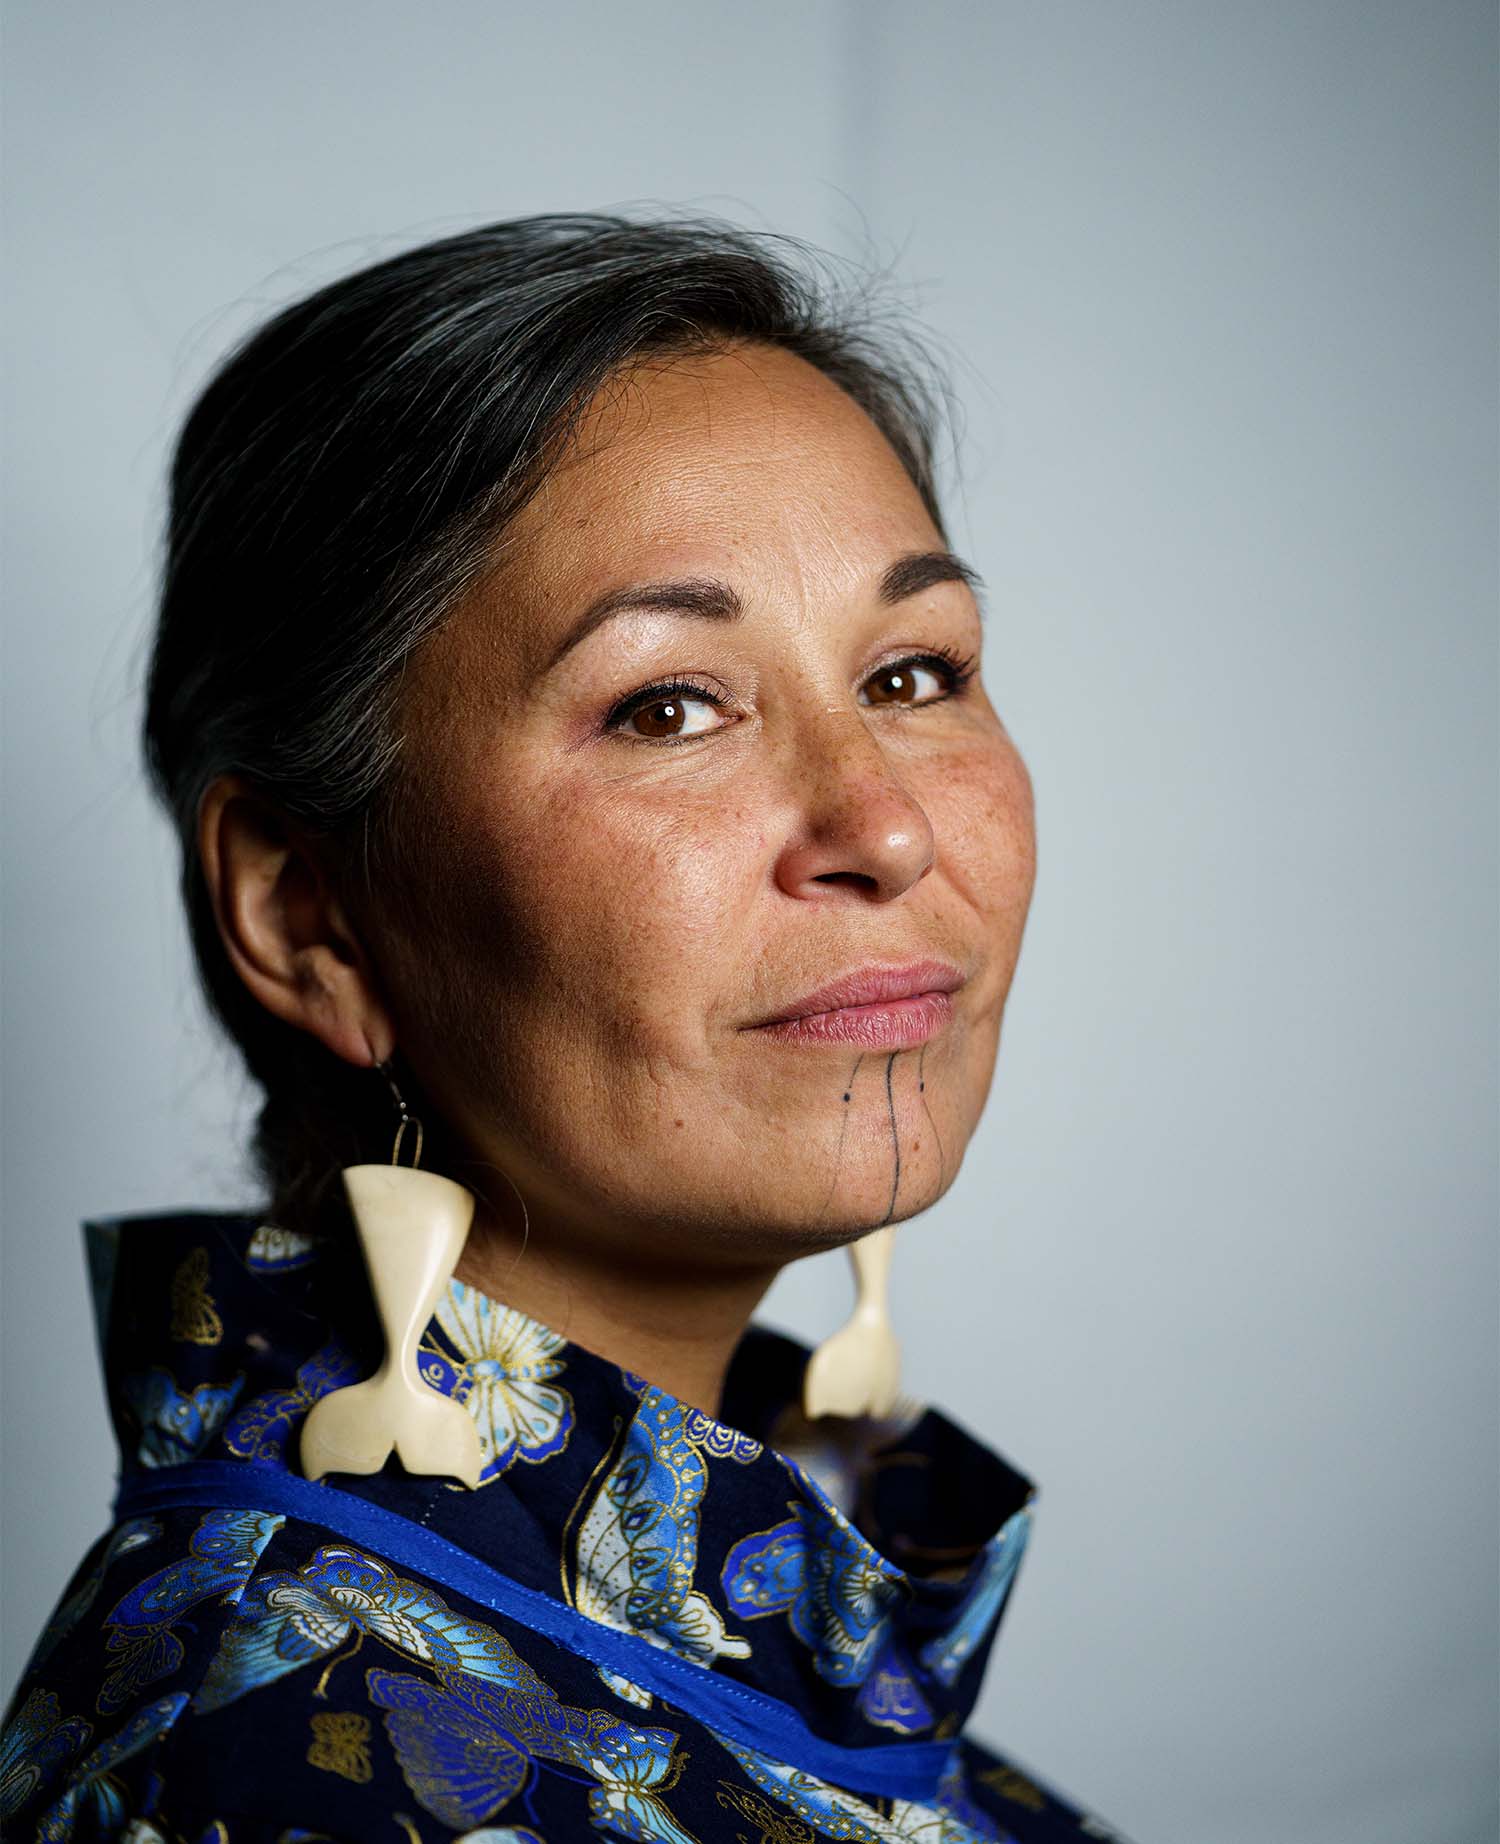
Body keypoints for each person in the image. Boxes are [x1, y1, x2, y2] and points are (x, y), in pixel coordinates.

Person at [1, 212, 1136, 1843]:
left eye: (911, 674)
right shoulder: (281, 1768)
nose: (885, 830)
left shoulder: (748, 1644)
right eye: (668, 705)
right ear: (309, 912)